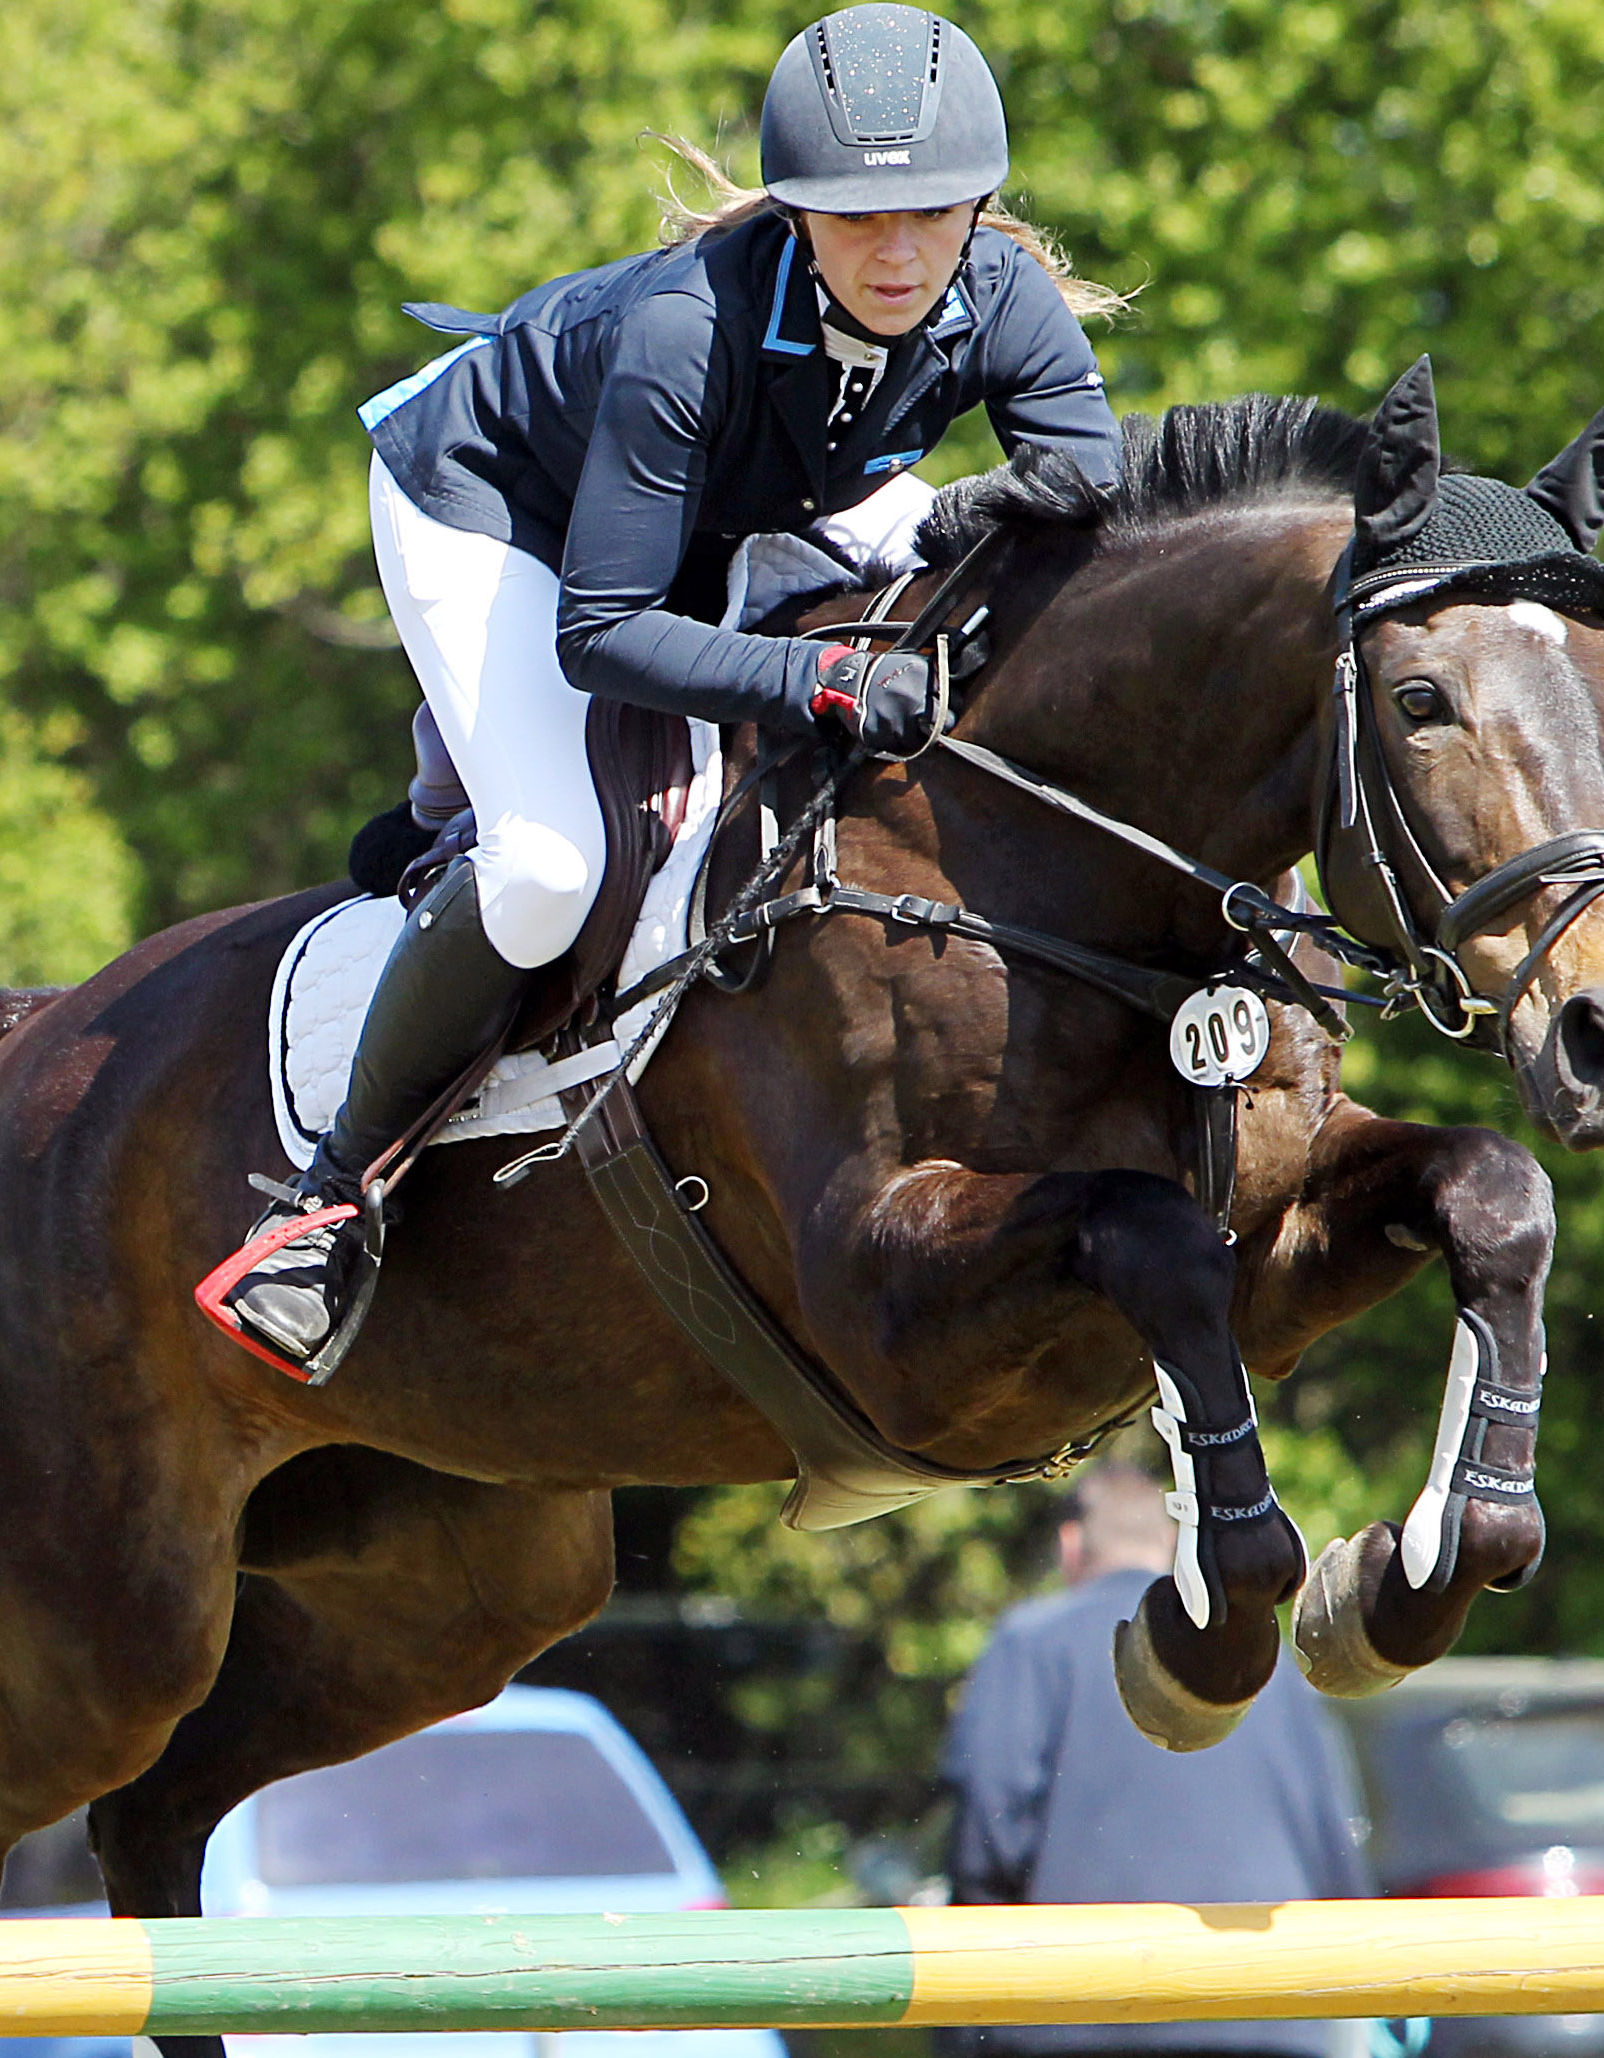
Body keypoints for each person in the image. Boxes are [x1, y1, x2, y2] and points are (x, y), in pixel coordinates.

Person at [208, 3, 1126, 1371]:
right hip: (495, 505)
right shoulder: (684, 331)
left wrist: (969, 523)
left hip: (753, 488)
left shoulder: (1000, 295)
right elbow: (606, 633)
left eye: (931, 215)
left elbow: (1087, 484)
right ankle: (328, 1200)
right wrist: (818, 681)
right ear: (799, 214)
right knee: (546, 869)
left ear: (980, 207)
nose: (896, 253)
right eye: (854, 218)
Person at [939, 1456, 1372, 2058]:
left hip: (1080, 2009)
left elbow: (988, 1830)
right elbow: (1334, 1837)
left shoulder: (1031, 1642)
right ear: (1172, 1544)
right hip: (1266, 2005)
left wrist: (973, 2003)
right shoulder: (1266, 1663)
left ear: (1071, 1545)